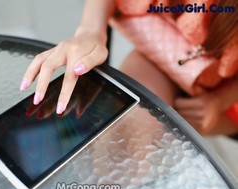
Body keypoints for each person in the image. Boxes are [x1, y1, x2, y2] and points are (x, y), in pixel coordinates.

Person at [19, 0, 238, 136]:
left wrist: (219, 101)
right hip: (167, 49)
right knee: (123, 131)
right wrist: (90, 31)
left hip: (228, 94)